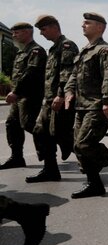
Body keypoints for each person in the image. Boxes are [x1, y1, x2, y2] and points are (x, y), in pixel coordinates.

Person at [64, 12, 108, 198]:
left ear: (100, 27)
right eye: (83, 23)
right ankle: (94, 184)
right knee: (78, 146)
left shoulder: (105, 50)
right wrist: (68, 91)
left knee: (84, 144)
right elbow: (74, 75)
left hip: (97, 106)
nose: (83, 25)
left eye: (87, 23)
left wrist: (107, 101)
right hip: (81, 107)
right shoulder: (84, 51)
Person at [28, 15, 79, 182]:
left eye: (43, 29)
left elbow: (68, 73)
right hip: (48, 101)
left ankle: (101, 161)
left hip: (59, 100)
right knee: (41, 132)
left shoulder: (67, 46)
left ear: (54, 27)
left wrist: (60, 95)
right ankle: (50, 169)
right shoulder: (53, 48)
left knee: (62, 136)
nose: (41, 34)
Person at [0, 23, 47, 171]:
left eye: (16, 33)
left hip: (30, 96)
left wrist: (16, 91)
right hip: (19, 96)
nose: (13, 35)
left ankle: (52, 154)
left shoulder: (36, 51)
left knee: (30, 125)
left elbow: (30, 74)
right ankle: (17, 157)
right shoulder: (21, 52)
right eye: (13, 33)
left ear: (27, 32)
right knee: (12, 124)